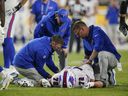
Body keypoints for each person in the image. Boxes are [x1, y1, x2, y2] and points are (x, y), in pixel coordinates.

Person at [72, 20, 121, 87]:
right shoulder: (84, 39)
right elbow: (87, 55)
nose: (77, 36)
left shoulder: (97, 31)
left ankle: (103, 81)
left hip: (112, 59)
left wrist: (89, 60)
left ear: (82, 29)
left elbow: (97, 48)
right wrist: (83, 64)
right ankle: (109, 76)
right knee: (94, 80)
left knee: (101, 54)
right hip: (98, 62)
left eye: (78, 33)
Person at [2, 0, 28, 75]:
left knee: (7, 37)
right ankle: (8, 67)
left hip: (10, 12)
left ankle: (12, 67)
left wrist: (17, 7)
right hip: (3, 12)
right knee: (4, 39)